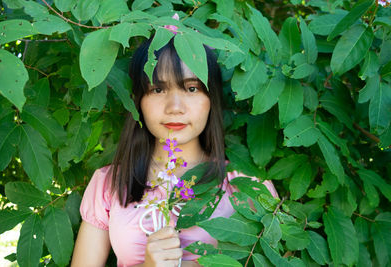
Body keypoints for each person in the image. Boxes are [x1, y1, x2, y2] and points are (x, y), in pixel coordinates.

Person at [71, 36, 278, 267]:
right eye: (158, 89)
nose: (175, 107)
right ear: (137, 100)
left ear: (211, 98)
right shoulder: (109, 184)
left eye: (191, 88)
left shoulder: (247, 185)